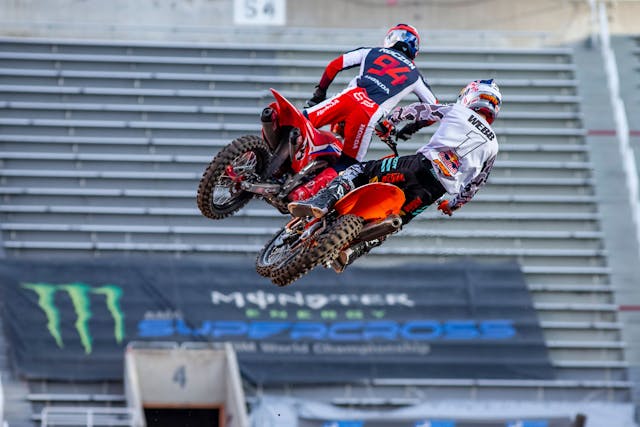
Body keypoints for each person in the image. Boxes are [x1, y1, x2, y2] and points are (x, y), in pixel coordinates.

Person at [288, 79, 502, 271]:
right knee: (393, 222)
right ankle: (352, 252)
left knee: (359, 171)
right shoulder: (493, 145)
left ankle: (322, 201)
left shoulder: (457, 110)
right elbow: (476, 184)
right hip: (434, 191)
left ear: (470, 95)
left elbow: (419, 110)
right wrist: (452, 205)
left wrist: (390, 121)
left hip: (415, 167)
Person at [289, 24, 438, 201]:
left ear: (391, 38)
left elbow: (334, 65)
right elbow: (433, 108)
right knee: (348, 164)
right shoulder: (415, 75)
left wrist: (319, 94)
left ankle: (281, 158)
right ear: (414, 49)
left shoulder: (371, 51)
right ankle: (304, 194)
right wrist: (410, 129)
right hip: (367, 114)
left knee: (299, 121)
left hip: (349, 98)